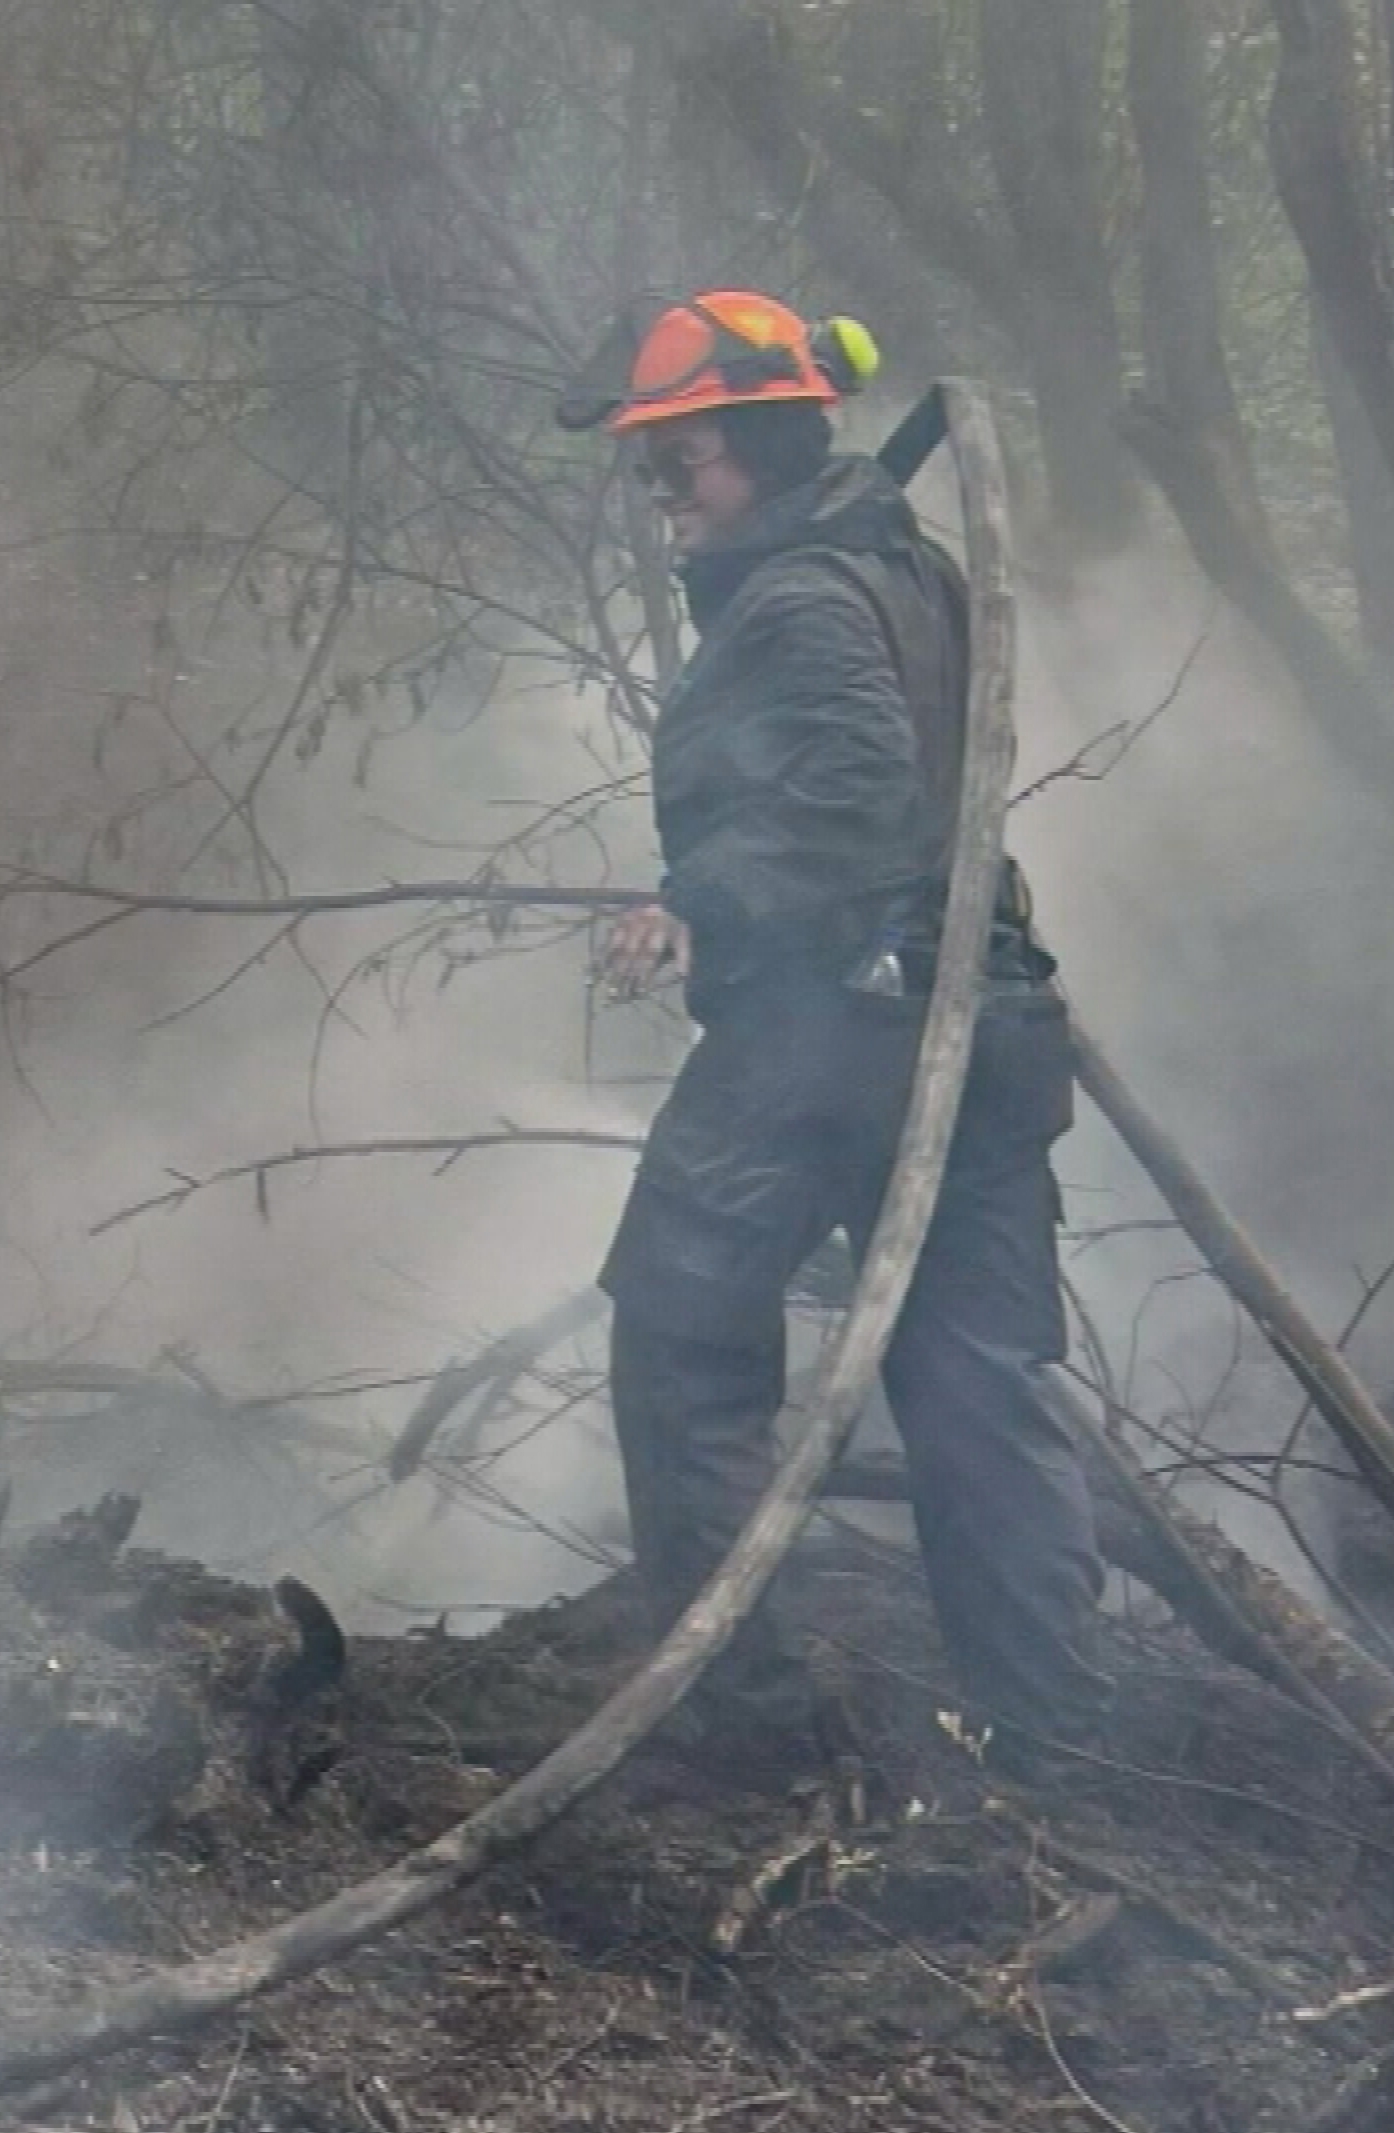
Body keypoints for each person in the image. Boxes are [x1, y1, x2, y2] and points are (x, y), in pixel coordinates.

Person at [564, 290, 1112, 1776]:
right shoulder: (908, 572)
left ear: (752, 441)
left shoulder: (804, 600)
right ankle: (1054, 1737)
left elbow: (861, 794)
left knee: (683, 1335)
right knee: (978, 1381)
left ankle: (733, 1718)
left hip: (834, 1033)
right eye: (647, 471)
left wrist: (697, 897)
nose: (661, 497)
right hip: (981, 1025)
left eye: (678, 464)